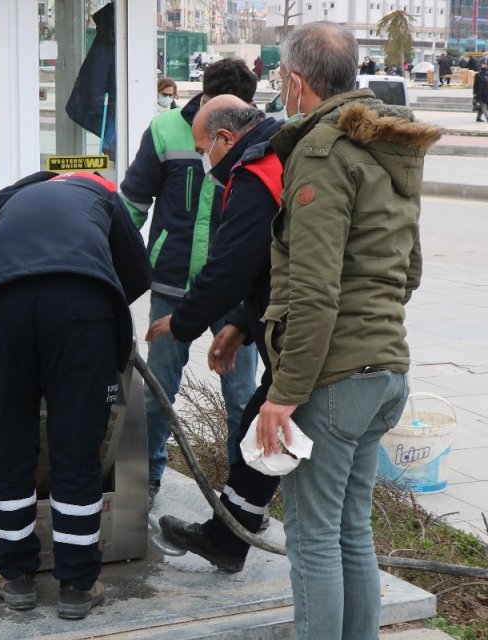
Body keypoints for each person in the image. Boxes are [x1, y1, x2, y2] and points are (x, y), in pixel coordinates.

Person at [254, 21, 439, 638]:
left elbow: (313, 290)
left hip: (331, 380)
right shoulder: (388, 145)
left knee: (311, 539)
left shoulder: (321, 151)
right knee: (350, 529)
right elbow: (409, 269)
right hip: (386, 373)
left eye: (282, 78)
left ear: (296, 81)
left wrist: (283, 393)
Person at [0, 170, 150, 620]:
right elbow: (137, 272)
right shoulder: (100, 193)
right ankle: (78, 586)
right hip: (80, 310)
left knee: (10, 447)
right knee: (76, 451)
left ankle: (15, 576)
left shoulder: (6, 204)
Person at [145, 94, 286, 571]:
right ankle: (227, 539)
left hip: (315, 339)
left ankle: (305, 558)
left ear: (226, 138)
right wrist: (243, 324)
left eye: (205, 149)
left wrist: (183, 320)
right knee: (259, 425)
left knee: (271, 426)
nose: (205, 161)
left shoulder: (256, 171)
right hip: (286, 325)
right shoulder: (274, 154)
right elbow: (272, 262)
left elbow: (231, 264)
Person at [119, 58, 260, 505]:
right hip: (172, 284)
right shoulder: (165, 131)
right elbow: (133, 204)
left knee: (242, 395)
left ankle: (241, 488)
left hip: (235, 293)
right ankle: (149, 474)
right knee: (159, 386)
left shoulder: (253, 138)